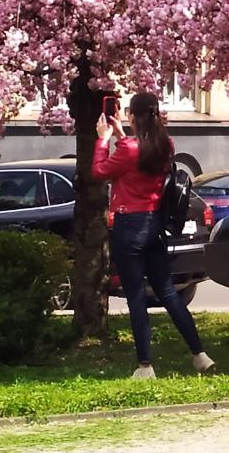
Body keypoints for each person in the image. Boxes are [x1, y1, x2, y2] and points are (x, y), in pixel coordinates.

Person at [93, 92, 215, 379]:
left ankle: (145, 365)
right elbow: (139, 153)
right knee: (168, 291)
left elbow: (99, 171)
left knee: (136, 295)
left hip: (129, 225)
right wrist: (122, 136)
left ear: (133, 116)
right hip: (154, 224)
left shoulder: (129, 149)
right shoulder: (164, 145)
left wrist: (103, 139)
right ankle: (200, 354)